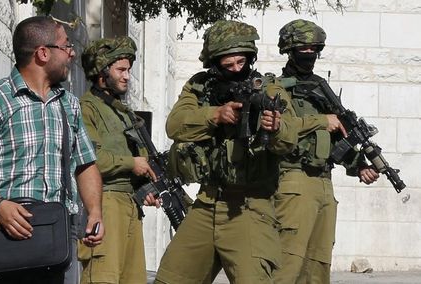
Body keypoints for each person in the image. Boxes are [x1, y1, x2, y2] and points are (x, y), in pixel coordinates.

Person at [154, 20, 298, 284]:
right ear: (215, 64)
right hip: (206, 204)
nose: (236, 70)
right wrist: (215, 115)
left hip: (249, 208)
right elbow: (175, 125)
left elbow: (289, 139)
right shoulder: (199, 87)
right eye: (228, 66)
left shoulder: (270, 90)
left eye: (241, 63)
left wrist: (275, 127)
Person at [0, 16, 104, 284]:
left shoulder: (69, 104)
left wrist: (95, 212)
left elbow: (85, 164)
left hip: (53, 243)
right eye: (65, 46)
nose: (71, 53)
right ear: (43, 53)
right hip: (4, 239)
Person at [273, 19, 380, 283]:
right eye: (303, 48)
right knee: (287, 264)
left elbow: (334, 142)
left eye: (314, 48)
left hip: (324, 182)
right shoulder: (276, 88)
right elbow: (278, 129)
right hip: (293, 179)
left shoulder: (321, 87)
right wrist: (323, 120)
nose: (309, 54)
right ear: (290, 49)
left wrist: (359, 166)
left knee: (318, 267)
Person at [78, 37, 160, 284]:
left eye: (129, 70)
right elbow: (89, 159)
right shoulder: (87, 108)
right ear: (102, 72)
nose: (127, 76)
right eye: (120, 70)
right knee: (102, 278)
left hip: (130, 206)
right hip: (105, 203)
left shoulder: (124, 113)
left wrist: (143, 188)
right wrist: (131, 163)